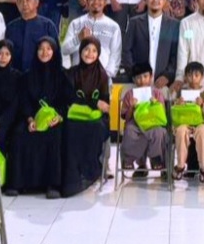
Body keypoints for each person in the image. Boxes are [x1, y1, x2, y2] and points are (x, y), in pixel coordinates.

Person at [9, 37, 71, 198]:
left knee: (54, 135)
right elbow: (24, 101)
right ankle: (18, 184)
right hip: (31, 118)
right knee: (19, 134)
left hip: (54, 119)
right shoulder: (28, 76)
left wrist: (58, 116)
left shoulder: (62, 75)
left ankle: (52, 185)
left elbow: (66, 101)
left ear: (54, 52)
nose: (44, 52)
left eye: (48, 49)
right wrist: (30, 119)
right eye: (41, 49)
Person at [62, 37, 111, 196]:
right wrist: (93, 102)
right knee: (70, 128)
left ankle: (91, 171)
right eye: (86, 50)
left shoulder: (102, 75)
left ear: (98, 54)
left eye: (94, 51)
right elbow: (70, 98)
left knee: (96, 128)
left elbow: (105, 103)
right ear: (80, 51)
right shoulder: (72, 73)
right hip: (75, 115)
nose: (89, 54)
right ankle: (74, 173)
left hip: (95, 119)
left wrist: (98, 104)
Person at [122, 0, 180, 90]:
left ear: (165, 2)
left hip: (162, 84)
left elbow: (176, 54)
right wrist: (136, 74)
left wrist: (167, 75)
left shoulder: (174, 25)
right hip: (138, 83)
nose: (155, 1)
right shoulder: (135, 23)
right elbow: (126, 51)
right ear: (146, 0)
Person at [62, 0, 122, 79]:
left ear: (105, 2)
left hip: (102, 81)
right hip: (78, 79)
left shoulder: (113, 27)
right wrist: (78, 38)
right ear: (87, 0)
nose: (96, 2)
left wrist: (105, 78)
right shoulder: (76, 23)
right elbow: (64, 50)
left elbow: (115, 57)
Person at [119, 62, 169, 179]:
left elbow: (161, 113)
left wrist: (155, 103)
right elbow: (125, 117)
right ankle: (131, 160)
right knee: (130, 131)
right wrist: (131, 106)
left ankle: (156, 158)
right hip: (135, 123)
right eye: (138, 78)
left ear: (151, 77)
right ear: (134, 79)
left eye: (145, 76)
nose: (142, 80)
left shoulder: (157, 93)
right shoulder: (130, 94)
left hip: (153, 122)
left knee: (159, 132)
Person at [172, 61, 204, 183]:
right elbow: (176, 113)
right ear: (185, 77)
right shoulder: (181, 92)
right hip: (184, 122)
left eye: (196, 75)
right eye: (189, 75)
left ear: (202, 77)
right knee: (180, 131)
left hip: (201, 122)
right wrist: (178, 104)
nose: (193, 79)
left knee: (202, 132)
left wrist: (202, 105)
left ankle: (203, 166)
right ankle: (180, 165)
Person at [5, 0, 59, 73]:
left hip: (41, 75)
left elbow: (57, 54)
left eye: (28, 0)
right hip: (16, 76)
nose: (24, 4)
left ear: (36, 3)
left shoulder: (48, 25)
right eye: (21, 1)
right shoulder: (11, 27)